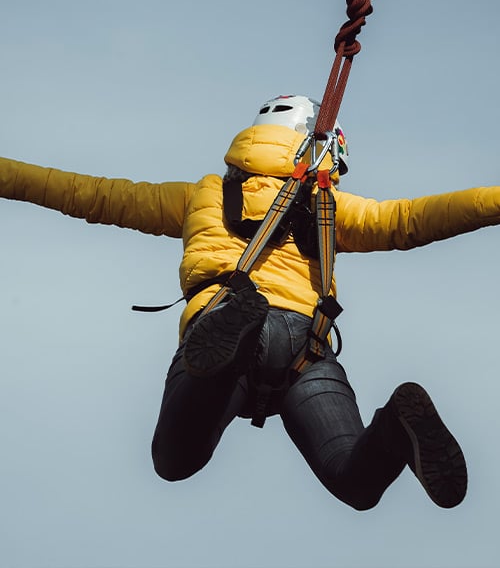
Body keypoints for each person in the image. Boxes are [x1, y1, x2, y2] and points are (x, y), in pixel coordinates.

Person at [1, 94, 498, 511]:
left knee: (175, 460)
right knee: (355, 481)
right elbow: (410, 219)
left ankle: (233, 340)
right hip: (308, 348)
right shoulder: (329, 205)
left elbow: (90, 195)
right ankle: (393, 424)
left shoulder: (204, 195)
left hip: (227, 318)